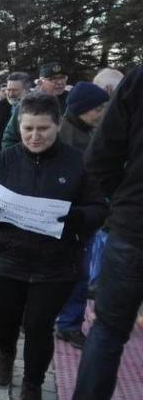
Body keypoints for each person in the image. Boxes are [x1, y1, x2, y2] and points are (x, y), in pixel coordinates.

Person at [0, 92, 107, 400]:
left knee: (39, 326)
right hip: (6, 260)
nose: (34, 136)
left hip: (55, 266)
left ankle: (32, 385)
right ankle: (4, 352)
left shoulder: (78, 164)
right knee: (3, 322)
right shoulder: (5, 160)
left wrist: (80, 217)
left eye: (42, 128)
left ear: (57, 125)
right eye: (28, 128)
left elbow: (100, 207)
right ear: (21, 125)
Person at [62, 65, 143, 400]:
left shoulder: (139, 79)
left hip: (133, 228)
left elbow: (101, 158)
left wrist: (122, 201)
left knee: (108, 333)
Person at [53, 82, 111, 349]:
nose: (101, 113)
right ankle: (63, 323)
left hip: (82, 216)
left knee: (79, 274)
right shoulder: (65, 136)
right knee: (68, 273)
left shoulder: (89, 133)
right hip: (65, 216)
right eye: (96, 108)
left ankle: (68, 325)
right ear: (81, 109)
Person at [1, 62, 70, 150]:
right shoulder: (28, 103)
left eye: (63, 78)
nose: (60, 82)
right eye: (53, 79)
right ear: (41, 82)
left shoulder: (72, 101)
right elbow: (10, 138)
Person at [0, 72, 29, 160]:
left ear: (25, 90)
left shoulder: (35, 108)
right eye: (8, 90)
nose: (10, 94)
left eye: (15, 90)